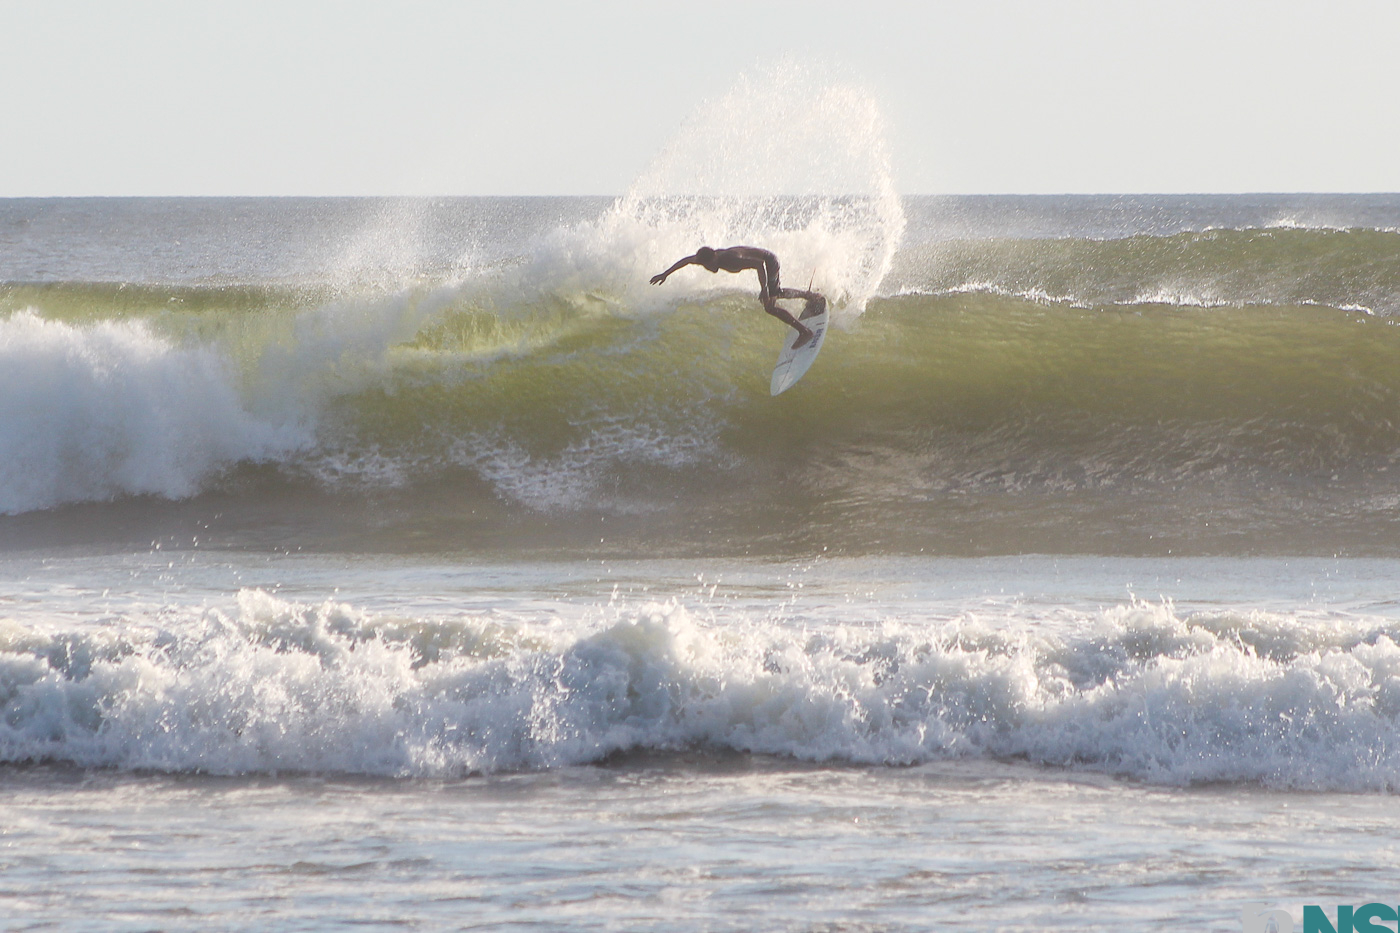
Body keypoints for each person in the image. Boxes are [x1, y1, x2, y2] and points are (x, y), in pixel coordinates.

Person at [650, 246, 825, 348]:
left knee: (770, 306)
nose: (711, 269)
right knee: (776, 293)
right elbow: (686, 261)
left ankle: (805, 332)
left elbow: (759, 265)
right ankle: (811, 297)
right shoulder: (705, 258)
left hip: (769, 261)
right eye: (706, 267)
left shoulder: (730, 259)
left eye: (711, 265)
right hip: (766, 262)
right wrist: (665, 274)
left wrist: (763, 288)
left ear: (715, 258)